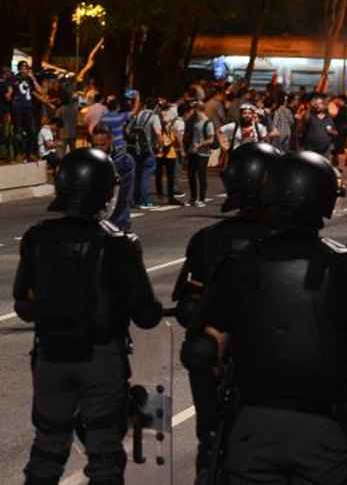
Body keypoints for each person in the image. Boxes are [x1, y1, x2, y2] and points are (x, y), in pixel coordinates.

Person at [198, 151, 347, 485]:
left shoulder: (238, 264)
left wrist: (212, 422)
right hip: (324, 424)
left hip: (253, 422)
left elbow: (203, 351)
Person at [13, 149, 162, 485]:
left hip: (51, 354)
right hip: (101, 357)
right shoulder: (119, 244)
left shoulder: (37, 238)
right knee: (105, 454)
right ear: (104, 192)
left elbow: (23, 305)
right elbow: (147, 315)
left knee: (47, 448)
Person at [174, 143, 282, 483]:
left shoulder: (208, 239)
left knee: (214, 444)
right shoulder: (290, 240)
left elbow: (188, 307)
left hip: (224, 366)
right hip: (277, 363)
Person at [91, 124, 135, 232]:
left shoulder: (123, 160)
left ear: (110, 140)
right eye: (95, 145)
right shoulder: (91, 158)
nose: (99, 148)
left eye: (102, 145)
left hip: (117, 220)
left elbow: (123, 195)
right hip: (95, 218)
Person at [128, 97, 161, 209]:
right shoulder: (154, 117)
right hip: (148, 149)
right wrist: (160, 146)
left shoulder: (140, 114)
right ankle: (145, 201)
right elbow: (158, 133)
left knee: (137, 174)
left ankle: (136, 199)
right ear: (156, 106)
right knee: (146, 174)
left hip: (136, 148)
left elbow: (129, 129)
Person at [184, 101, 215, 207]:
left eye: (193, 109)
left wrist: (200, 144)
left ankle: (201, 199)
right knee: (191, 175)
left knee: (201, 176)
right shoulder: (194, 121)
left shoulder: (208, 122)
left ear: (197, 109)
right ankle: (193, 198)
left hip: (203, 153)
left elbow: (211, 139)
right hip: (192, 151)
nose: (192, 111)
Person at [156, 103, 187, 206]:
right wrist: (181, 148)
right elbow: (175, 136)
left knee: (162, 175)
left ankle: (163, 195)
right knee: (168, 176)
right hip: (167, 152)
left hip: (164, 152)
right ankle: (168, 196)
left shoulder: (163, 120)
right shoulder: (166, 121)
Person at [12, 61, 43, 160]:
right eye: (24, 67)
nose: (26, 69)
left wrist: (33, 78)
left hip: (28, 108)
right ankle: (19, 153)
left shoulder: (30, 79)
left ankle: (30, 153)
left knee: (32, 131)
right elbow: (10, 92)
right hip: (18, 108)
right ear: (20, 69)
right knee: (18, 131)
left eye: (27, 67)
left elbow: (39, 91)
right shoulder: (15, 78)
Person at [301, 95, 337, 159]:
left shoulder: (328, 118)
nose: (318, 105)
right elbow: (305, 118)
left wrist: (331, 132)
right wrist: (309, 107)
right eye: (316, 103)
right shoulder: (310, 116)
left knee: (324, 166)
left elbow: (335, 132)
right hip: (311, 147)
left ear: (324, 105)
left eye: (320, 103)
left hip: (325, 148)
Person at [55, 91, 79, 155]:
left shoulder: (60, 110)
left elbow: (57, 123)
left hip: (63, 134)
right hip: (73, 133)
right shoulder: (74, 109)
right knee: (73, 154)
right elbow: (76, 120)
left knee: (61, 153)